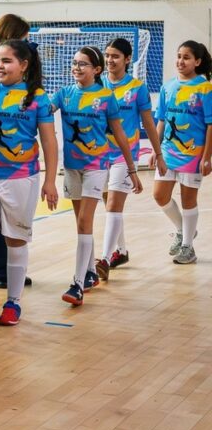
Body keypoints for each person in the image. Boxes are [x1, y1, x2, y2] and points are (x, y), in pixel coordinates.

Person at [0, 40, 59, 328]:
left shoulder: (38, 99)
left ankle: (13, 301)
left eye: (7, 61)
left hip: (22, 179)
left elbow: (49, 141)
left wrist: (51, 180)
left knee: (15, 240)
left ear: (24, 65)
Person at [51, 47, 140, 305]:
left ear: (96, 70)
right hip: (71, 167)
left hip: (96, 167)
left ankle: (77, 284)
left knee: (84, 222)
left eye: (84, 64)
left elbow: (120, 136)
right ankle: (90, 273)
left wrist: (132, 169)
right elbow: (42, 110)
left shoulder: (105, 97)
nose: (77, 68)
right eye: (75, 63)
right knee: (80, 222)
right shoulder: (64, 94)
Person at [98, 38, 166, 276]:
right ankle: (122, 251)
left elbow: (148, 121)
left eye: (115, 56)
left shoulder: (137, 88)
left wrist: (159, 153)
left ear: (127, 59)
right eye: (107, 55)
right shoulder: (98, 84)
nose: (109, 60)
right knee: (110, 206)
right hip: (98, 155)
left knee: (115, 205)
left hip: (124, 156)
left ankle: (104, 260)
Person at [152, 41, 212, 265]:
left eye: (186, 57)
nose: (181, 61)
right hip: (168, 152)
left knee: (188, 200)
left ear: (197, 62)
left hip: (193, 154)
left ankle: (188, 247)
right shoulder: (168, 87)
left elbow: (210, 125)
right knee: (159, 195)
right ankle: (183, 230)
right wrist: (156, 150)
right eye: (179, 56)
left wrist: (207, 157)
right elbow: (161, 120)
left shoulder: (205, 88)